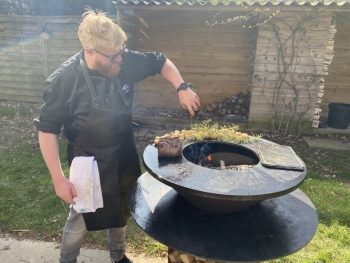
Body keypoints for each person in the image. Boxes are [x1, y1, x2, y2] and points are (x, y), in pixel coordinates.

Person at [34, 8, 200, 263]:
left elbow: (160, 61)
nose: (121, 61)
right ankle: (67, 260)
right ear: (90, 51)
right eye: (114, 57)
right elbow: (47, 130)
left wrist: (182, 87)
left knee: (121, 209)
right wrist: (58, 179)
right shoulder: (62, 81)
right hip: (87, 157)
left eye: (121, 53)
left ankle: (118, 256)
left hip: (122, 151)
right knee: (80, 215)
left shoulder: (124, 58)